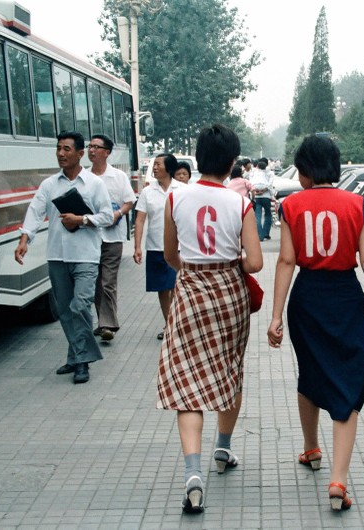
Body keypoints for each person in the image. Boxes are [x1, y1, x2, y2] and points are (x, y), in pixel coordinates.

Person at [266, 135, 364, 512]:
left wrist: (275, 316)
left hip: (306, 299)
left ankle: (311, 449)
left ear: (304, 171)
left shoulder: (291, 205)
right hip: (345, 297)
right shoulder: (355, 203)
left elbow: (286, 261)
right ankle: (338, 480)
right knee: (347, 382)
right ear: (334, 168)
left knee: (311, 371)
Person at [158, 123, 262, 514]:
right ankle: (224, 448)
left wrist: (192, 268)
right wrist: (229, 261)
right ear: (233, 163)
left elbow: (170, 255)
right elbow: (254, 261)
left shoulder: (175, 197)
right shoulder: (240, 203)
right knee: (228, 370)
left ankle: (193, 474)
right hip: (229, 295)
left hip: (189, 292)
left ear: (197, 159)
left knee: (188, 379)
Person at [14, 131, 113, 384]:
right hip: (57, 255)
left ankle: (82, 362)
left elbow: (107, 216)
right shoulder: (49, 184)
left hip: (86, 256)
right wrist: (25, 239)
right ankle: (75, 355)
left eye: (67, 149)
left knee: (80, 306)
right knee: (64, 311)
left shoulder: (94, 184)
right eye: (58, 148)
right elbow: (35, 212)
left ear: (80, 154)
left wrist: (81, 219)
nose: (61, 153)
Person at [87, 134, 135, 342]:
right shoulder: (85, 177)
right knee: (96, 282)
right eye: (89, 146)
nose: (91, 150)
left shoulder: (118, 176)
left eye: (96, 147)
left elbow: (129, 201)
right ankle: (103, 321)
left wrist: (118, 214)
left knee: (107, 280)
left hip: (113, 236)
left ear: (106, 152)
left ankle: (108, 324)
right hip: (89, 236)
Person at [133, 154, 185, 340]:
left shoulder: (182, 190)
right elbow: (140, 220)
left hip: (180, 248)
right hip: (155, 247)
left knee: (176, 287)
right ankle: (169, 324)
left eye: (157, 164)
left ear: (169, 168)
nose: (154, 168)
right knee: (163, 288)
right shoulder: (148, 192)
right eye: (154, 164)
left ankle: (177, 323)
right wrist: (137, 246)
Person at [250, 157, 275, 241]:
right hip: (266, 197)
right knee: (268, 214)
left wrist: (257, 191)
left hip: (257, 197)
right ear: (266, 164)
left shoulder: (254, 172)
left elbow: (251, 183)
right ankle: (266, 234)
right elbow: (270, 184)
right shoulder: (270, 173)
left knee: (257, 216)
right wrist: (264, 190)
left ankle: (259, 236)